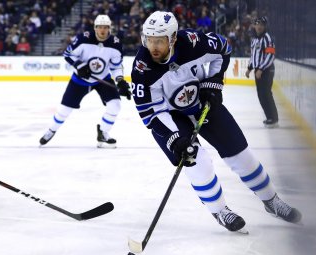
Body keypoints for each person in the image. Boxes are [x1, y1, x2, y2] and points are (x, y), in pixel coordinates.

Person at [130, 11, 301, 232]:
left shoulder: (193, 43)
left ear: (172, 38)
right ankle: (220, 210)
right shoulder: (142, 68)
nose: (153, 47)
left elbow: (223, 49)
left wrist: (213, 82)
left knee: (241, 154)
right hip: (170, 118)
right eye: (149, 40)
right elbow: (150, 113)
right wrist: (174, 139)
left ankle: (271, 201)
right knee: (197, 160)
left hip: (202, 103)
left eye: (159, 41)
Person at [39, 14, 132, 148]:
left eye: (105, 27)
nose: (102, 30)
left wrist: (120, 81)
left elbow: (116, 66)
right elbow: (68, 54)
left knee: (115, 105)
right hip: (80, 80)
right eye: (100, 27)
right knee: (64, 110)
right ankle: (51, 130)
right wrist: (79, 66)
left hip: (102, 79)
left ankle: (103, 133)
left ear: (109, 29)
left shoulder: (115, 44)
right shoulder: (84, 39)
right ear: (95, 28)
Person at [245, 16, 278, 128]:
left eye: (261, 25)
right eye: (257, 24)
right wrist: (249, 68)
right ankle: (269, 117)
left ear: (264, 26)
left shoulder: (267, 38)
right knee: (261, 95)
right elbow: (253, 56)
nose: (259, 26)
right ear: (254, 26)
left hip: (267, 71)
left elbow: (271, 55)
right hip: (258, 71)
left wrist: (261, 69)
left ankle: (273, 118)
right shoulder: (254, 40)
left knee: (266, 94)